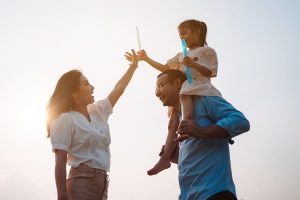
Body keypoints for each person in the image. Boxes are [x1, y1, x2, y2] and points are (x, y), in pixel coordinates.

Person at [126, 19, 228, 175]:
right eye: (180, 36)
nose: (182, 38)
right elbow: (166, 68)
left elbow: (211, 72)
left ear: (197, 32)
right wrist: (146, 59)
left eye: (184, 33)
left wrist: (194, 65)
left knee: (183, 98)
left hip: (197, 87)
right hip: (182, 91)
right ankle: (165, 158)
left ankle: (189, 125)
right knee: (172, 123)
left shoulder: (206, 52)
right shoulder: (180, 55)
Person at [46, 50, 138, 200]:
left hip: (102, 185)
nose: (92, 87)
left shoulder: (98, 111)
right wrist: (62, 195)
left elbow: (119, 89)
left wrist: (133, 67)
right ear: (74, 92)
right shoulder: (65, 120)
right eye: (86, 84)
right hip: (81, 183)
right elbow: (60, 160)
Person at [155, 69, 250, 200]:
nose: (157, 92)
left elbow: (240, 121)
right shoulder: (176, 118)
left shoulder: (203, 98)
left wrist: (202, 132)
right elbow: (196, 153)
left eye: (161, 85)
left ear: (177, 83)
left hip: (215, 193)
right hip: (187, 195)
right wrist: (175, 157)